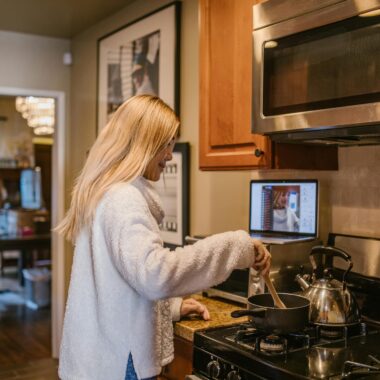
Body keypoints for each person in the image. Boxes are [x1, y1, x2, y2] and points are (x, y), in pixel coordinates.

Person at [56, 95, 271, 380]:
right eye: (167, 144)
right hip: (122, 365)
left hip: (101, 360)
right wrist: (236, 246)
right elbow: (156, 275)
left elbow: (121, 284)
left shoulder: (105, 192)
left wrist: (172, 307)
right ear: (144, 143)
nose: (170, 155)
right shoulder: (123, 198)